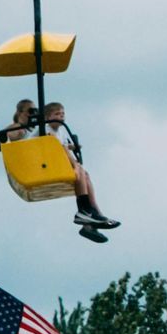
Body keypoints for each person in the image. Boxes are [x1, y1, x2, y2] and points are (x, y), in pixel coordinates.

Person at [41, 102, 117, 241]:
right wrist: (75, 165)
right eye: (57, 114)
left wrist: (73, 147)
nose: (61, 117)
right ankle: (85, 211)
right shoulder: (46, 129)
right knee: (80, 171)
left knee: (85, 175)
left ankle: (92, 217)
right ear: (47, 117)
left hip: (54, 161)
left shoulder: (61, 130)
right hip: (45, 163)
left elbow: (64, 146)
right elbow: (61, 149)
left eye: (62, 114)